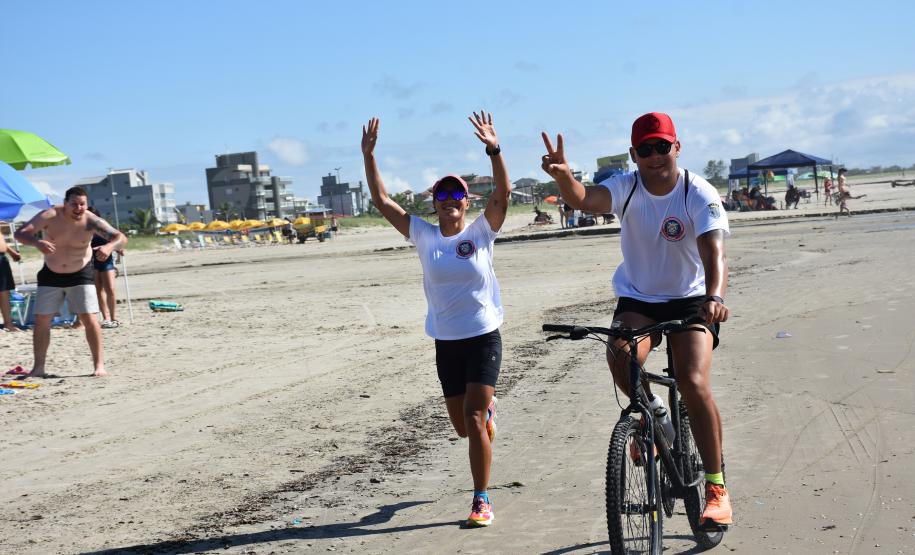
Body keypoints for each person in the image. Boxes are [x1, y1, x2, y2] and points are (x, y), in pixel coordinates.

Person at [540, 112, 733, 528]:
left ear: (676, 147)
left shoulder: (697, 192)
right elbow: (584, 199)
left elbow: (714, 253)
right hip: (639, 298)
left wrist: (715, 296)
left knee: (693, 381)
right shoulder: (625, 188)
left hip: (691, 300)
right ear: (634, 154)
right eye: (645, 149)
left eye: (662, 146)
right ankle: (654, 415)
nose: (655, 155)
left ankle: (716, 487)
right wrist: (564, 177)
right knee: (620, 354)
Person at [361, 111, 509, 528]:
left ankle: (481, 499)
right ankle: (486, 417)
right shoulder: (423, 235)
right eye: (442, 195)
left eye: (456, 194)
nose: (449, 200)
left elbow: (502, 195)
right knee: (463, 427)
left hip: (483, 337)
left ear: (467, 202)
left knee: (474, 419)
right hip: (446, 341)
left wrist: (494, 150)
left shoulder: (480, 233)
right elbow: (382, 202)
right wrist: (369, 156)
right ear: (434, 203)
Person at [14, 186, 127, 377]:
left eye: (82, 204)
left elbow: (120, 238)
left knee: (89, 318)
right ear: (65, 203)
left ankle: (99, 365)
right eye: (74, 204)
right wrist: (37, 243)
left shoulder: (91, 220)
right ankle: (39, 367)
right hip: (51, 273)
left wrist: (109, 247)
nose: (78, 208)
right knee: (42, 319)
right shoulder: (49, 215)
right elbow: (20, 233)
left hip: (80, 273)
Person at [87, 207, 121, 328]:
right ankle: (105, 318)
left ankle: (114, 317)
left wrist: (118, 249)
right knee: (98, 290)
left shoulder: (104, 229)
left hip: (107, 261)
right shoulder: (84, 230)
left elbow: (116, 241)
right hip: (92, 262)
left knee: (110, 289)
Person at [1, 229, 23, 332]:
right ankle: (8, 323)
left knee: (4, 291)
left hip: (2, 257)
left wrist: (11, 252)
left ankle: (8, 323)